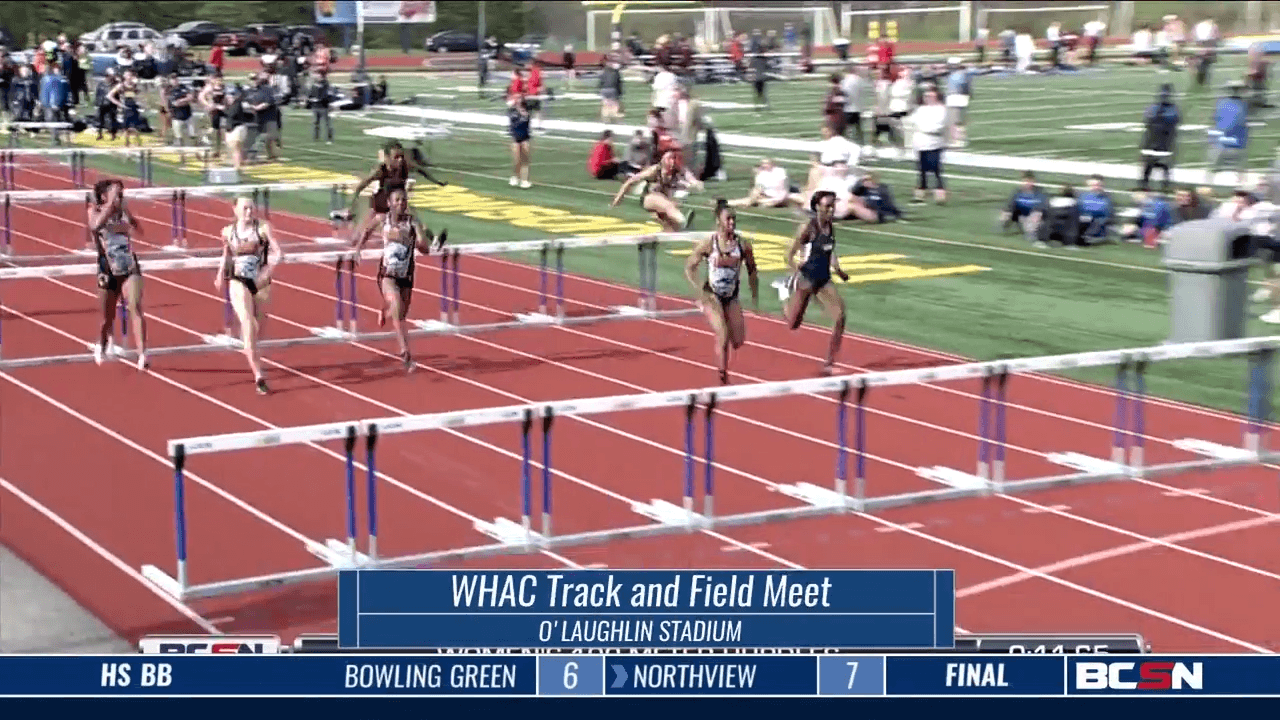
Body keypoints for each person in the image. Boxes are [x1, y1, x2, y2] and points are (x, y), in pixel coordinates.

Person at [351, 188, 444, 371]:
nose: (401, 203)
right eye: (397, 200)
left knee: (400, 313)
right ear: (389, 203)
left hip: (406, 275)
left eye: (404, 200)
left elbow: (425, 249)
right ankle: (405, 353)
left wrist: (416, 242)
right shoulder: (382, 219)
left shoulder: (413, 222)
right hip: (387, 274)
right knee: (397, 307)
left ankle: (385, 311)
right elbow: (367, 230)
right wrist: (358, 249)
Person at [215, 196, 284, 395]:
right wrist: (220, 274)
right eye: (245, 208)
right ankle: (258, 376)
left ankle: (249, 345)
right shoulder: (228, 232)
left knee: (257, 327)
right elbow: (226, 254)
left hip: (260, 283)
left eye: (251, 208)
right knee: (247, 322)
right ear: (235, 209)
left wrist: (268, 272)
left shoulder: (262, 228)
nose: (249, 212)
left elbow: (278, 252)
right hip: (238, 280)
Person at [685, 199, 758, 384]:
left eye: (734, 219)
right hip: (712, 295)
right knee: (722, 333)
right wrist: (699, 289)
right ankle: (722, 374)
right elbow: (690, 267)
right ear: (719, 221)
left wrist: (754, 294)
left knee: (738, 341)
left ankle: (723, 365)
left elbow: (752, 269)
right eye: (728, 219)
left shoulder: (742, 245)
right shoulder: (709, 244)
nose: (732, 222)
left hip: (731, 296)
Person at [780, 191, 849, 376]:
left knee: (840, 315)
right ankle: (784, 297)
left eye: (833, 206)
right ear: (817, 207)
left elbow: (830, 251)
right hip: (807, 279)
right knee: (793, 324)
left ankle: (829, 363)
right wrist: (795, 269)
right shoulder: (808, 228)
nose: (831, 210)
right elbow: (788, 254)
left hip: (824, 279)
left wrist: (838, 270)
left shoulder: (830, 226)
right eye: (827, 206)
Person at [88, 179, 148, 369]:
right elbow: (95, 226)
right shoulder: (94, 211)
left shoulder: (123, 211)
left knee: (135, 306)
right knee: (107, 317)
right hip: (107, 268)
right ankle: (102, 345)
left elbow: (139, 230)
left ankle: (142, 354)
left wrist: (128, 215)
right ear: (104, 195)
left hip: (129, 265)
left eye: (121, 194)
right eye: (116, 193)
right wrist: (110, 205)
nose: (120, 197)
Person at [610, 149, 702, 231]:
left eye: (673, 160)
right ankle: (683, 220)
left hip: (665, 200)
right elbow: (630, 182)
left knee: (670, 228)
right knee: (666, 204)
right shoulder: (654, 170)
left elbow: (692, 179)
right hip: (649, 198)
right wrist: (618, 199)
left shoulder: (678, 170)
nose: (671, 163)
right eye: (669, 160)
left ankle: (676, 229)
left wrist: (695, 184)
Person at [909, 86, 948, 204]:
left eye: (930, 96)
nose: (927, 98)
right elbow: (913, 121)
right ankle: (920, 193)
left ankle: (940, 194)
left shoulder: (942, 110)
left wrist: (923, 127)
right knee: (922, 169)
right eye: (926, 96)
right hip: (921, 142)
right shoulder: (921, 109)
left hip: (934, 143)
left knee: (936, 169)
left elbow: (939, 126)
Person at [1138, 83, 1180, 194]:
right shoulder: (1168, 109)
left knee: (1157, 165)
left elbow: (1148, 119)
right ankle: (1157, 185)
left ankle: (1155, 185)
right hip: (1158, 141)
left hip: (1158, 141)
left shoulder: (1158, 108)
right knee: (1155, 165)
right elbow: (1175, 121)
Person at [106, 70, 144, 147]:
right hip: (125, 108)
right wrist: (119, 103)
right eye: (127, 75)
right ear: (124, 76)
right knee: (126, 127)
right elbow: (109, 95)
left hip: (133, 107)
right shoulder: (121, 85)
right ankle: (127, 144)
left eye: (130, 75)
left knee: (135, 127)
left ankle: (138, 143)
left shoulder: (134, 85)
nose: (129, 77)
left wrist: (140, 103)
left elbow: (139, 96)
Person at [508, 92, 533, 188]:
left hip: (525, 137)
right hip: (516, 138)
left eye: (520, 98)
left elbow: (527, 121)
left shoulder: (526, 110)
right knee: (517, 160)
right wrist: (518, 109)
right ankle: (515, 177)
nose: (518, 100)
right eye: (517, 98)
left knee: (525, 160)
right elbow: (513, 122)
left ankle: (524, 180)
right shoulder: (512, 111)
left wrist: (523, 112)